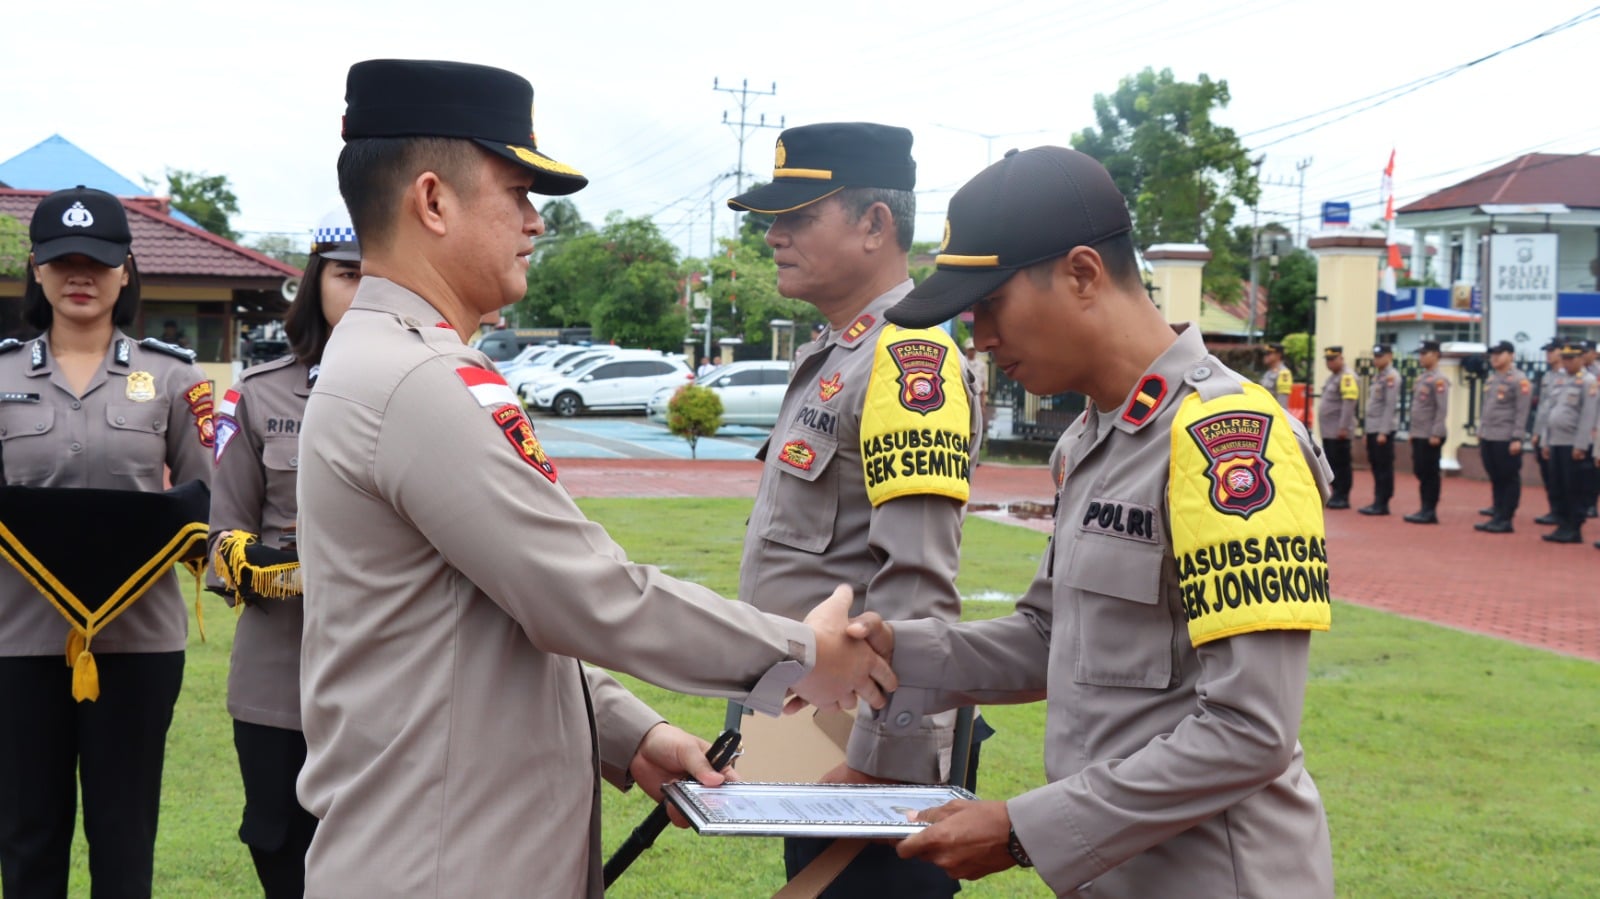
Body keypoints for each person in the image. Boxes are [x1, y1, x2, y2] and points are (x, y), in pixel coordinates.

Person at [296, 59, 895, 898]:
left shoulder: (401, 363)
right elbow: (585, 595)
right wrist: (805, 652)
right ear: (433, 201)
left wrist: (630, 732)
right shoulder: (416, 380)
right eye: (517, 192)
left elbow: (497, 621)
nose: (536, 224)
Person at [865, 146, 1333, 897]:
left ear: (1082, 273)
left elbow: (1253, 730)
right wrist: (893, 650)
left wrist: (1022, 829)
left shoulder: (1227, 437)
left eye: (990, 302)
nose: (980, 336)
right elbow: (1052, 638)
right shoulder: (1095, 437)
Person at [725, 121, 975, 897]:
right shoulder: (840, 352)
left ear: (876, 224)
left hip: (861, 755)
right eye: (774, 219)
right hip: (808, 733)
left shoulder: (908, 360)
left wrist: (881, 762)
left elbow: (918, 586)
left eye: (799, 215)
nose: (775, 236)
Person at [0, 186, 215, 897]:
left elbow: (207, 496)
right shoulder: (0, 378)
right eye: (63, 261)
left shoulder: (174, 377)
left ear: (126, 270)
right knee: (28, 837)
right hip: (19, 641)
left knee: (125, 838)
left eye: (97, 260)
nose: (80, 275)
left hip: (138, 643)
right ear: (36, 268)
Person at [206, 208, 361, 897]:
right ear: (315, 281)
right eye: (348, 274)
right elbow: (223, 533)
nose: (362, 291)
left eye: (379, 275)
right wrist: (265, 566)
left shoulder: (439, 391)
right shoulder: (261, 393)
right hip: (279, 673)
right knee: (275, 840)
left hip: (387, 675)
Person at [1535, 341, 1599, 544]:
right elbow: (1549, 412)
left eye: (1571, 359)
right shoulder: (1559, 380)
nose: (1567, 362)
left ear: (1581, 359)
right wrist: (1546, 441)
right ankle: (1562, 524)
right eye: (1564, 358)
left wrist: (1581, 445)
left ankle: (1574, 527)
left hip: (1573, 444)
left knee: (1574, 487)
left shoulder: (1588, 382)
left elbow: (1588, 417)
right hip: (1556, 441)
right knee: (1557, 485)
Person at [1474, 341, 1532, 534]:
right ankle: (1497, 515)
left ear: (1511, 355)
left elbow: (1522, 412)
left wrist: (1517, 438)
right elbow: (1488, 408)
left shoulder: (1518, 379)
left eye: (1499, 353)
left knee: (1508, 478)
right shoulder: (1493, 379)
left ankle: (1506, 518)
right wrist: (1481, 430)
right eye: (1493, 354)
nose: (1495, 357)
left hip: (1506, 437)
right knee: (1496, 478)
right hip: (1489, 436)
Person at [1404, 340, 1449, 524]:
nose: (1421, 357)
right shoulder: (1423, 378)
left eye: (1424, 354)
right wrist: (1413, 431)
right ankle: (1424, 507)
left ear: (1435, 355)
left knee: (1430, 473)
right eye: (1420, 354)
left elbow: (1441, 409)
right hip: (1420, 433)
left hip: (1431, 435)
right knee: (1420, 471)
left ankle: (1430, 510)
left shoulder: (1440, 380)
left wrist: (1436, 433)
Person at [1360, 344, 1401, 516]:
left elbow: (1390, 406)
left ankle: (1383, 501)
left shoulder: (1392, 377)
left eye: (1380, 356)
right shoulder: (1379, 377)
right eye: (1375, 356)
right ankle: (1377, 500)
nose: (1376, 359)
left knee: (1384, 467)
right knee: (1376, 465)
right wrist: (1367, 431)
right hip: (1373, 428)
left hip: (1382, 430)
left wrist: (1383, 431)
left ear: (1389, 356)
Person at [1316, 345, 1358, 509]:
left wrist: (1343, 427)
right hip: (1329, 431)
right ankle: (1337, 493)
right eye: (1327, 360)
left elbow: (1349, 404)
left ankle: (1343, 495)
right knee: (1333, 462)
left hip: (1339, 430)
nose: (1329, 363)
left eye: (1333, 359)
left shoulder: (1347, 377)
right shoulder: (1334, 377)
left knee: (1342, 464)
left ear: (1341, 358)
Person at [1532, 339, 1565, 525]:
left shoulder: (1569, 376)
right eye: (1547, 351)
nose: (1548, 355)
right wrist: (1536, 433)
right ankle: (1554, 509)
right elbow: (1542, 409)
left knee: (1560, 476)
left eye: (1552, 351)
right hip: (1544, 432)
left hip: (1559, 434)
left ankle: (1562, 512)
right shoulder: (1547, 376)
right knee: (1548, 475)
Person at [965, 337, 991, 439]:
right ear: (966, 350)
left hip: (977, 395)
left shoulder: (981, 365)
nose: (972, 352)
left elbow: (983, 385)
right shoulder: (962, 362)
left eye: (973, 349)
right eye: (970, 349)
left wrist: (983, 404)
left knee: (977, 422)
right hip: (965, 395)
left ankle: (977, 442)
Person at [1260, 342, 1292, 409]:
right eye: (1265, 354)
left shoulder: (1284, 373)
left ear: (1278, 355)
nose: (1265, 356)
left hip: (1275, 414)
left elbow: (1282, 401)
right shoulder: (1268, 372)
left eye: (1269, 354)